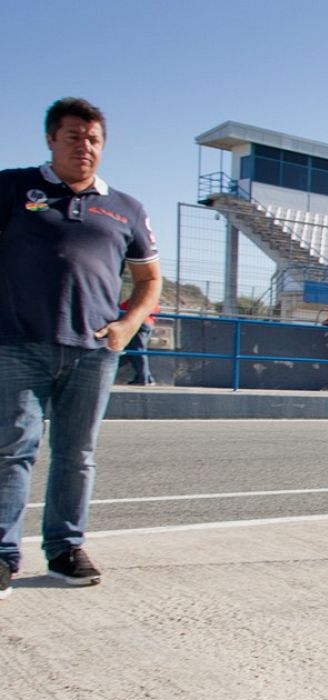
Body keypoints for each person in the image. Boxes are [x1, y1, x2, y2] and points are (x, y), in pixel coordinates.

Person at [0, 98, 160, 599]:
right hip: (17, 344)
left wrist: (127, 325)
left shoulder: (126, 208)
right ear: (51, 139)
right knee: (11, 452)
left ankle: (65, 547)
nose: (84, 147)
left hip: (92, 350)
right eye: (73, 136)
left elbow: (149, 277)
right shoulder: (11, 187)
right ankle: (3, 554)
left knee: (77, 454)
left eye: (93, 139)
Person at [118, 297, 156, 385]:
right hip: (145, 323)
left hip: (139, 323)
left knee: (138, 351)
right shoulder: (152, 298)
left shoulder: (140, 298)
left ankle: (144, 378)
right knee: (133, 352)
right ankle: (146, 378)